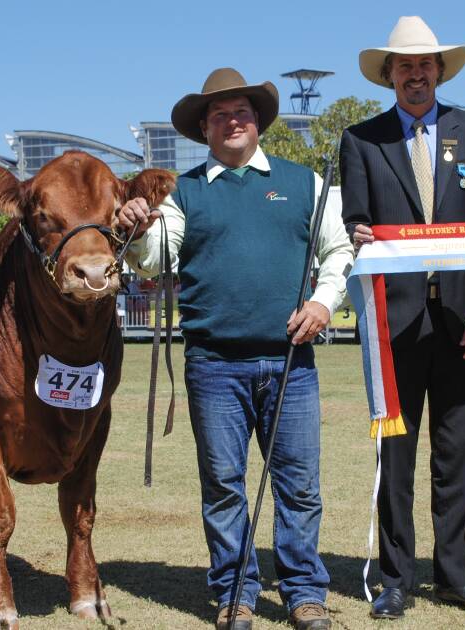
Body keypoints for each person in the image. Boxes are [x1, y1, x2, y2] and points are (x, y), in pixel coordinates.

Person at [118, 68, 353, 630]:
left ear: (257, 120)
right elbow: (152, 258)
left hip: (291, 362)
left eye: (241, 111)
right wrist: (133, 226)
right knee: (224, 487)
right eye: (220, 114)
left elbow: (339, 250)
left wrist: (322, 303)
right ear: (205, 128)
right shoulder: (183, 193)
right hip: (214, 365)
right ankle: (236, 594)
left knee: (299, 485)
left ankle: (303, 593)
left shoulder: (305, 183)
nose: (233, 121)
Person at [339, 16, 465, 618]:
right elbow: (354, 225)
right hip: (394, 322)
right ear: (389, 75)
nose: (415, 74)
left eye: (425, 65)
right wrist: (355, 231)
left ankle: (457, 575)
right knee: (395, 452)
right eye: (404, 66)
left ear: (440, 70)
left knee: (459, 451)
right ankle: (395, 577)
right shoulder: (361, 140)